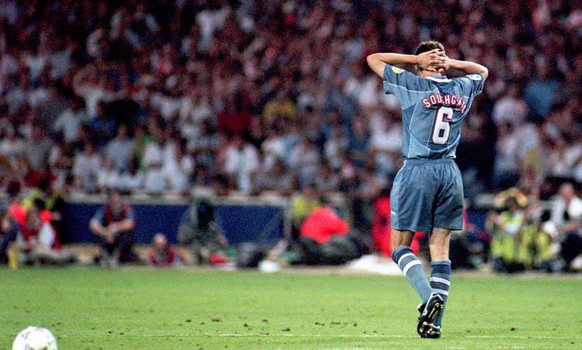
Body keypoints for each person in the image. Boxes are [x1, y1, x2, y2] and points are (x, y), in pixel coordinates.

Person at [367, 40, 488, 338]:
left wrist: (415, 60)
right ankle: (435, 323)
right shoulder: (461, 88)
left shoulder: (413, 84)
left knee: (400, 245)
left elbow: (374, 59)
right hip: (450, 171)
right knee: (439, 247)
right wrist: (451, 63)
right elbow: (482, 70)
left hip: (418, 169)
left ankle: (427, 296)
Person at [89, 189, 139, 266]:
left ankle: (116, 257)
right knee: (98, 234)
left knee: (126, 235)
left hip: (120, 238)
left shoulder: (127, 209)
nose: (114, 200)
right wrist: (105, 232)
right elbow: (93, 224)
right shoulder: (104, 210)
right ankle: (105, 257)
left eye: (116, 198)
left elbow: (130, 223)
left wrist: (115, 228)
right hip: (107, 237)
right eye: (112, 198)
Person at [177, 199, 229, 266]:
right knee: (191, 260)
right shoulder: (190, 220)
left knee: (206, 254)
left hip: (209, 248)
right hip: (194, 247)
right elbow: (181, 239)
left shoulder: (213, 221)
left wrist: (224, 248)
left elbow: (222, 240)